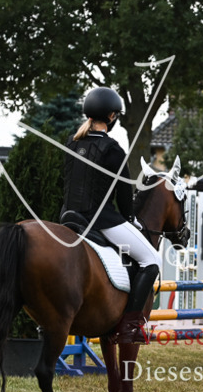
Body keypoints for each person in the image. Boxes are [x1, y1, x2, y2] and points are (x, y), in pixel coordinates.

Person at [63, 87, 161, 344]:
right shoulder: (113, 148)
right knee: (152, 260)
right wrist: (130, 218)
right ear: (112, 115)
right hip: (101, 220)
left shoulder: (71, 143)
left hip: (68, 217)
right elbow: (123, 191)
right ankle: (130, 326)